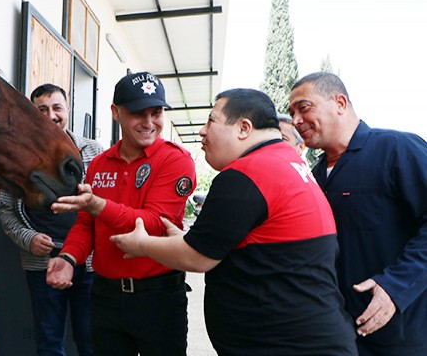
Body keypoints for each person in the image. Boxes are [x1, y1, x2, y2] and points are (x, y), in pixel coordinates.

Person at [110, 88, 358, 355]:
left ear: (243, 128)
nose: (202, 132)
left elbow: (197, 258)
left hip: (288, 344)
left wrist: (142, 245)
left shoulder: (247, 173)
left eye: (211, 121)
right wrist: (183, 240)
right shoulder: (286, 163)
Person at [46, 71, 196, 356]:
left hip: (159, 297)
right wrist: (67, 258)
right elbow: (86, 224)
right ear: (116, 112)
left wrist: (97, 205)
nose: (149, 123)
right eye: (138, 113)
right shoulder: (101, 162)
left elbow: (153, 225)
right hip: (106, 295)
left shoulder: (176, 160)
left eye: (157, 112)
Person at [289, 72, 427, 356]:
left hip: (402, 334)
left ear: (339, 102)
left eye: (303, 108)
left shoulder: (396, 149)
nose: (295, 121)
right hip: (338, 335)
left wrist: (395, 286)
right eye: (292, 113)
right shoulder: (313, 177)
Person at [0, 83, 103, 356]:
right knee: (49, 342)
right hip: (42, 262)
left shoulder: (92, 151)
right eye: (41, 109)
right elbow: (7, 211)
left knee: (91, 341)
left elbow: (107, 204)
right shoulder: (16, 157)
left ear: (67, 110)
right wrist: (28, 239)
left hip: (89, 262)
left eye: (57, 108)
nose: (50, 115)